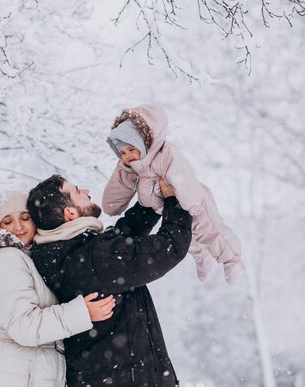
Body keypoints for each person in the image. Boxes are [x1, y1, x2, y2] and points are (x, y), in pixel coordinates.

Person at [26, 174, 192, 387]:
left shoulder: (60, 254)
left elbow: (119, 241)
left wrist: (149, 203)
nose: (86, 189)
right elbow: (170, 247)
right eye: (77, 191)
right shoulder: (95, 257)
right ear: (70, 213)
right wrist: (175, 202)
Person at [0, 181, 116, 387]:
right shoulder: (6, 259)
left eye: (25, 217)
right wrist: (81, 314)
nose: (18, 227)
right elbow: (24, 326)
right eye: (7, 221)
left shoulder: (25, 258)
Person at [102, 104, 245, 284]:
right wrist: (112, 205)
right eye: (122, 152)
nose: (127, 156)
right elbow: (119, 186)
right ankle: (202, 257)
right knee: (187, 238)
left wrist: (193, 205)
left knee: (209, 231)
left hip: (193, 200)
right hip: (167, 207)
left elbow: (182, 174)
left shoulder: (166, 154)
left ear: (145, 143)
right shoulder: (130, 166)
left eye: (131, 149)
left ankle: (233, 259)